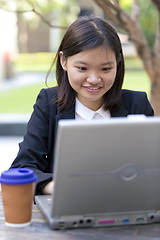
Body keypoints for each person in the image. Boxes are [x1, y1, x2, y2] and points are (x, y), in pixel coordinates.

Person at [10, 16, 154, 195]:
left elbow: (153, 166)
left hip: (126, 205)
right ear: (64, 61)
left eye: (106, 69)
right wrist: (59, 188)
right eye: (82, 68)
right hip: (66, 203)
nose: (94, 79)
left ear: (118, 62)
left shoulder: (137, 104)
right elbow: (22, 168)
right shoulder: (48, 103)